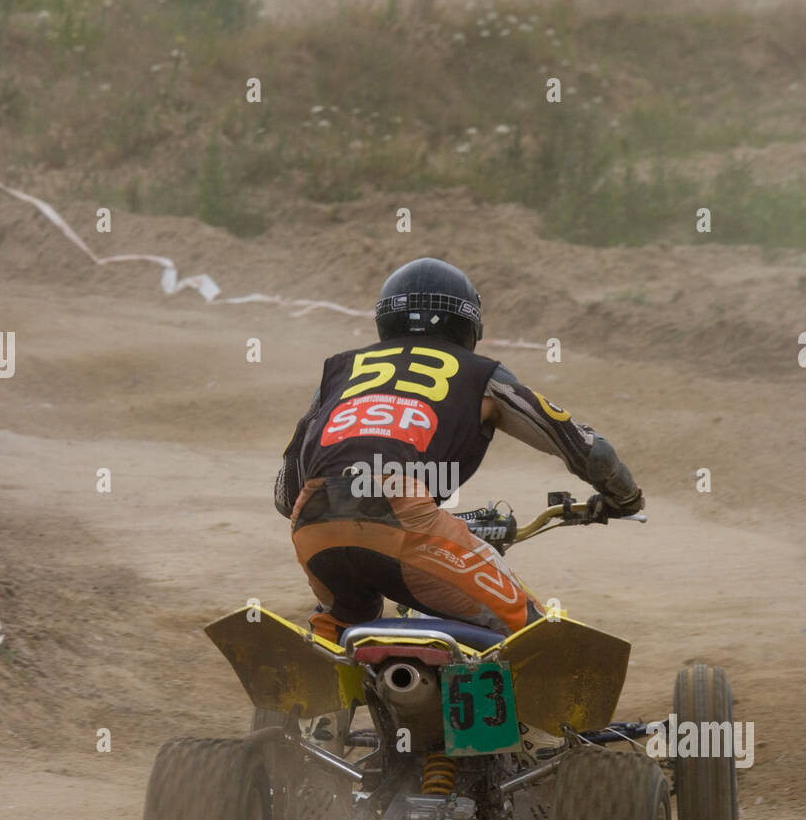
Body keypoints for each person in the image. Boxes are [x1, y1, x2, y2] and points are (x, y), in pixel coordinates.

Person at [275, 257, 643, 643]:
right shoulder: (478, 374)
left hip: (313, 524)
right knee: (533, 634)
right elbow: (584, 447)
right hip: (406, 516)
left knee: (348, 620)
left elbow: (287, 495)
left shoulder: (339, 372)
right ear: (468, 322)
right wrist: (625, 497)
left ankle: (320, 672)